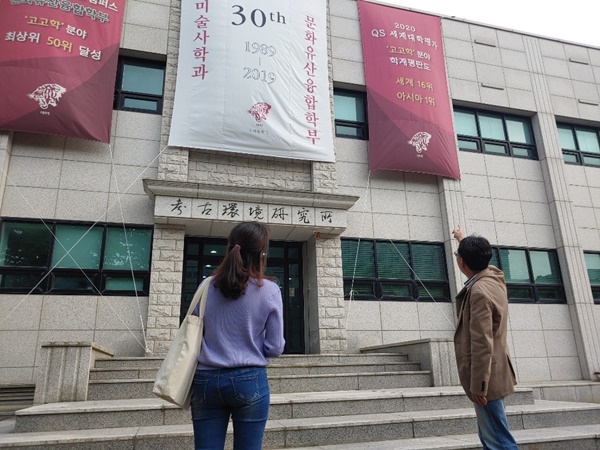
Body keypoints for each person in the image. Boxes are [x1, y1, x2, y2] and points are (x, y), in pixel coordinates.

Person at [191, 221, 285, 450]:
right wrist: (251, 344)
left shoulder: (205, 285)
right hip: (249, 379)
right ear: (262, 252)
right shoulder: (270, 290)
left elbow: (194, 330)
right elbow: (275, 347)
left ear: (230, 246)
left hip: (206, 380)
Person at [451, 225, 519, 450]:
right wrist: (462, 240)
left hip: (486, 379)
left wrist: (479, 386)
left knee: (498, 441)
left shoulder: (479, 292)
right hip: (496, 373)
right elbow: (482, 260)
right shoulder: (494, 277)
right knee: (493, 435)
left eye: (458, 256)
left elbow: (482, 342)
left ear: (462, 263)